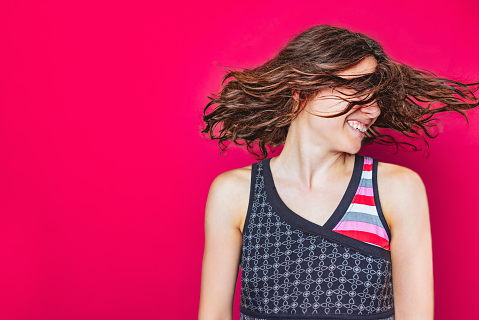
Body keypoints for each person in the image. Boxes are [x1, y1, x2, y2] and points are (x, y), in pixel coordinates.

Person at [197, 24, 479, 320]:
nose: (373, 110)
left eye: (375, 96)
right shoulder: (234, 193)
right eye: (358, 90)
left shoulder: (398, 189)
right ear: (300, 91)